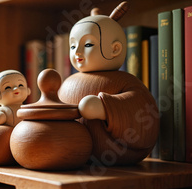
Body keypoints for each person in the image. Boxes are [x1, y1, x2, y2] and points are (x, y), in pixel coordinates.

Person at [58, 2, 159, 166]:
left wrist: (107, 107)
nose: (77, 52)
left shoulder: (126, 81)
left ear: (115, 49)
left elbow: (142, 107)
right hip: (72, 157)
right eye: (73, 45)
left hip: (118, 156)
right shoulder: (68, 82)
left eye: (88, 44)